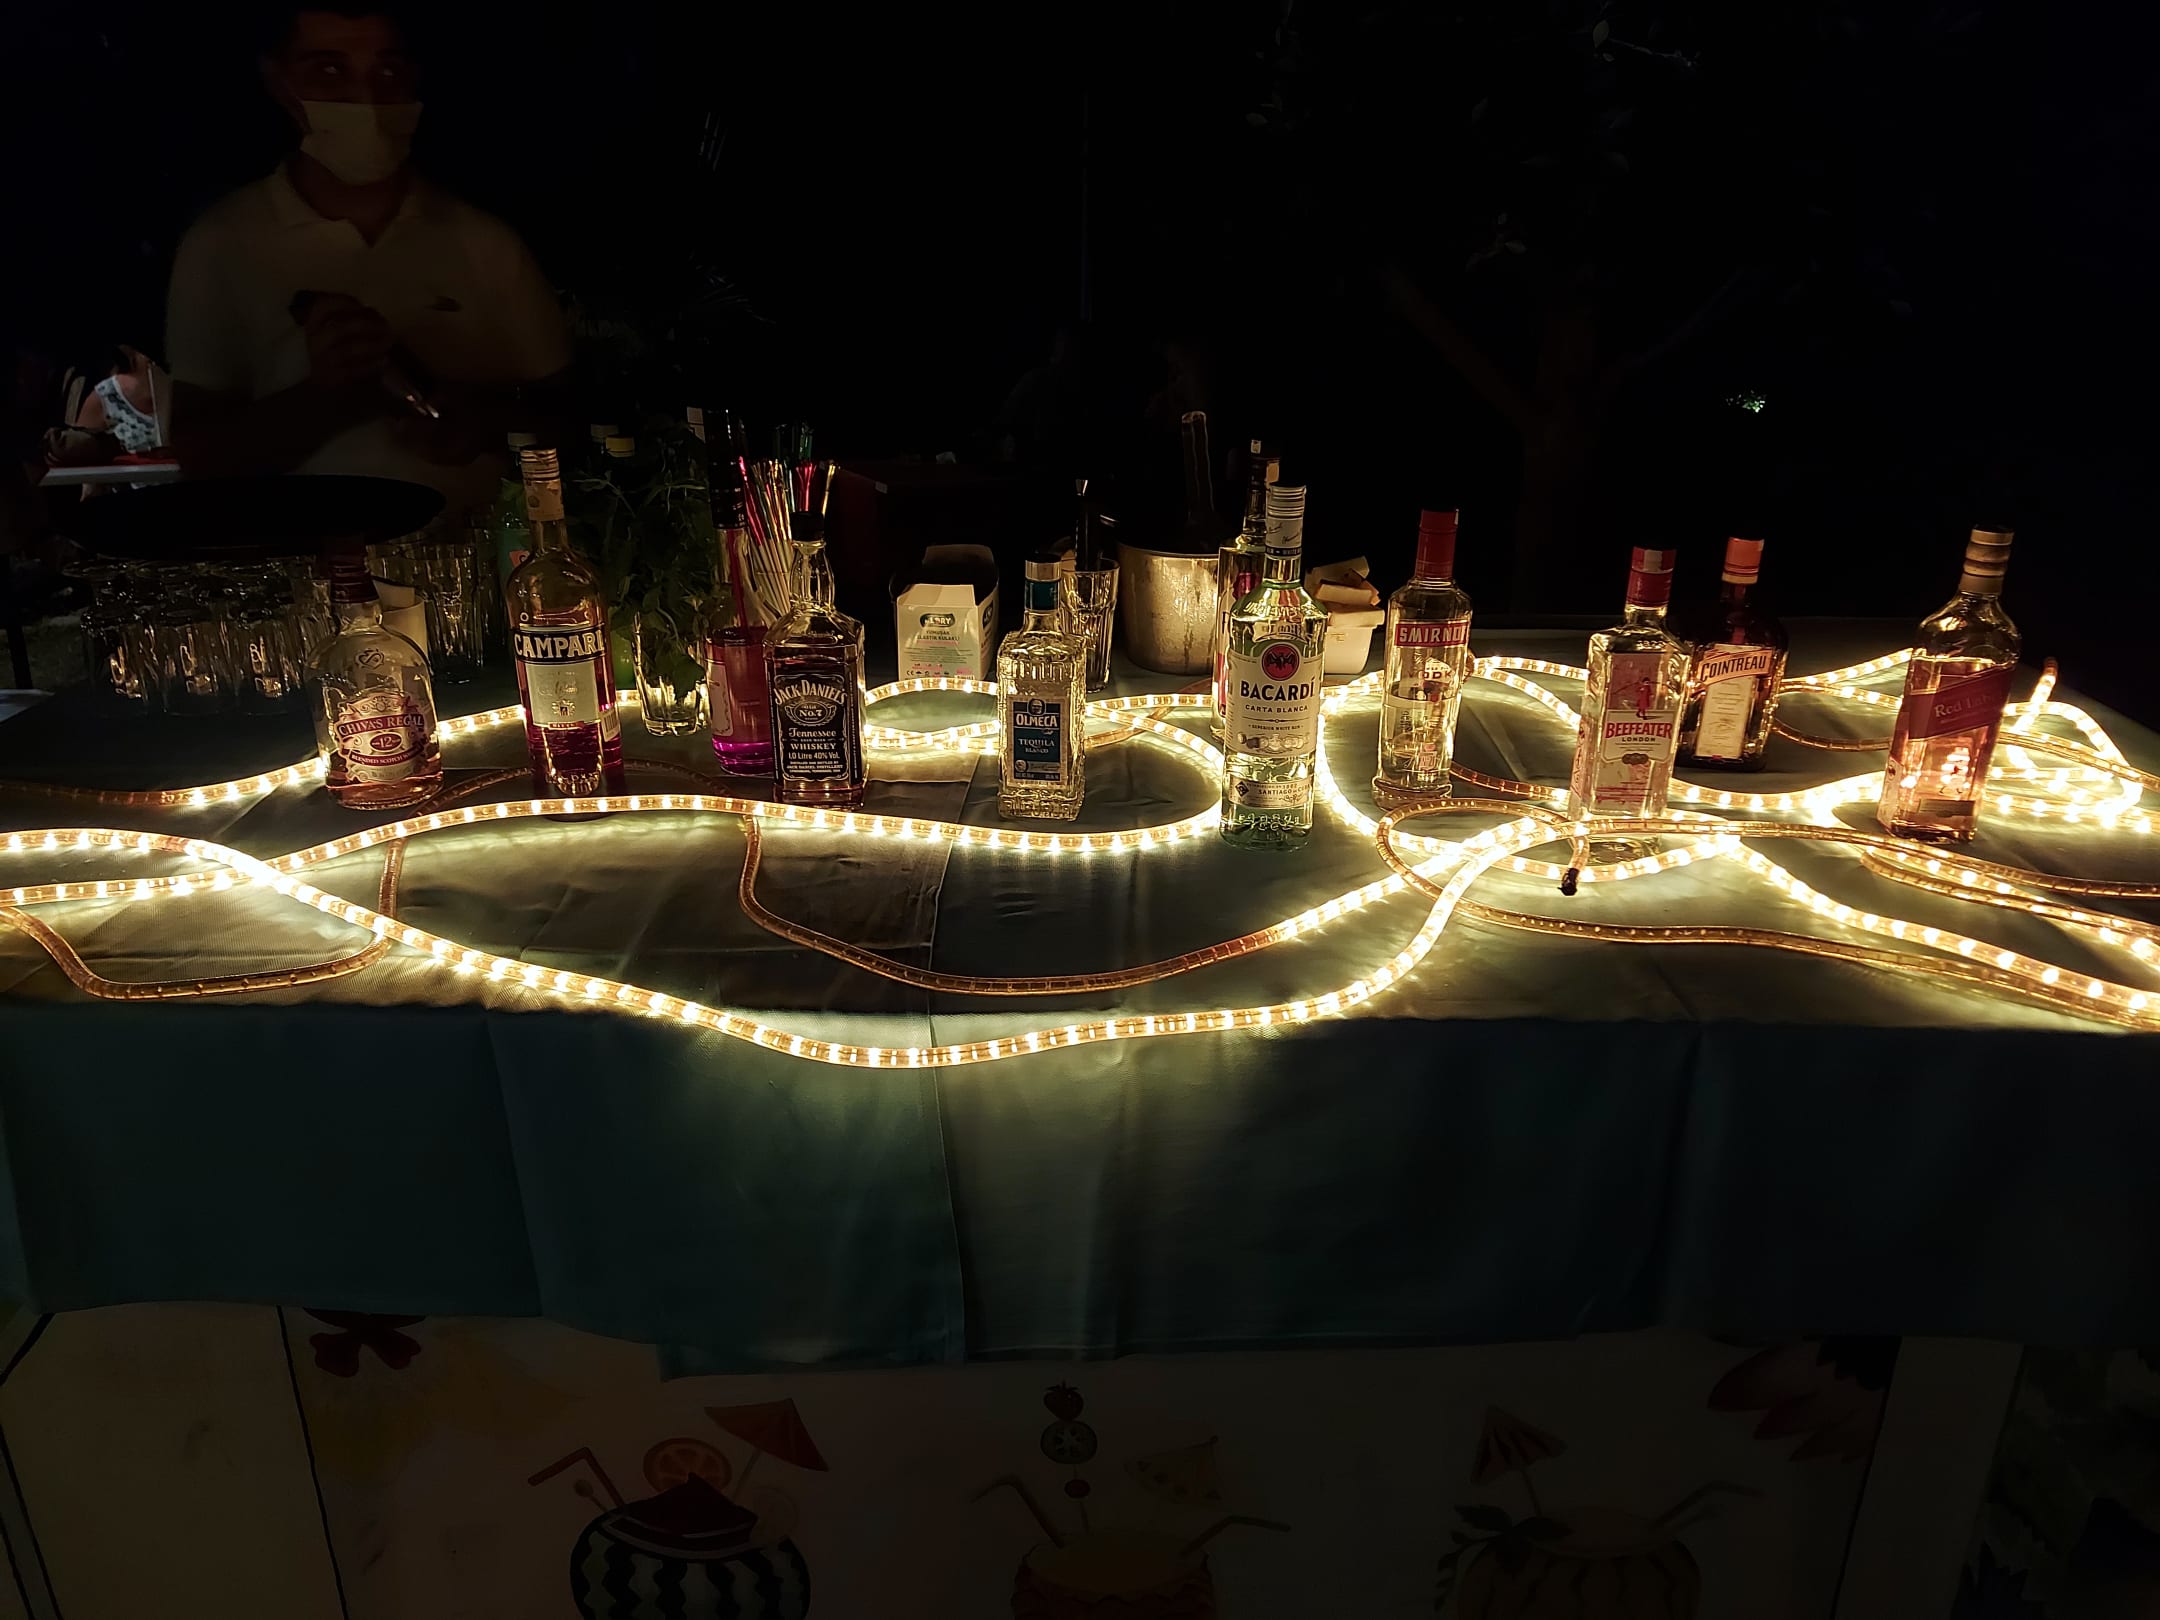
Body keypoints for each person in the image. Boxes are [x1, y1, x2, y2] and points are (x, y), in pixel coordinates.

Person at [165, 5, 570, 507]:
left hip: (469, 548)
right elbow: (196, 458)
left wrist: (479, 423)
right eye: (329, 71)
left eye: (388, 71)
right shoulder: (222, 243)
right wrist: (325, 399)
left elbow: (570, 420)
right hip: (302, 550)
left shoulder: (486, 243)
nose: (366, 98)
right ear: (279, 81)